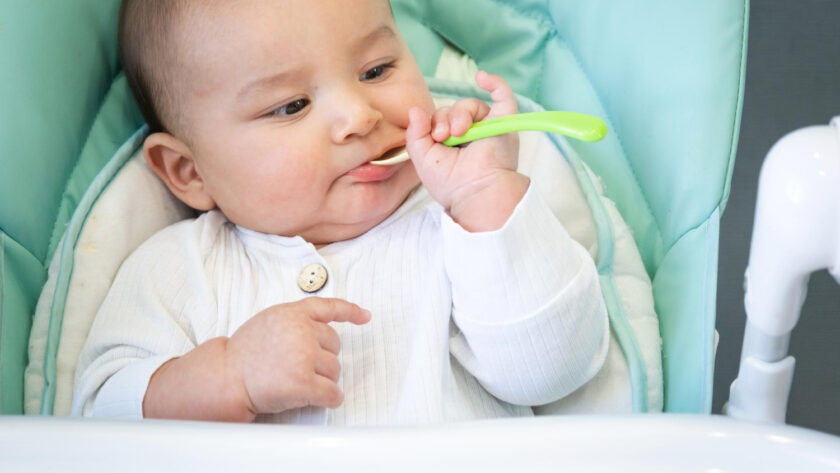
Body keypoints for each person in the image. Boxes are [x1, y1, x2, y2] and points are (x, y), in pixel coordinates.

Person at [71, 0, 610, 424]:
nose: (358, 114)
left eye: (376, 70)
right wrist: (228, 375)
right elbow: (95, 417)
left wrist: (486, 198)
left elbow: (554, 370)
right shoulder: (178, 269)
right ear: (191, 172)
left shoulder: (459, 225)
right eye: (290, 106)